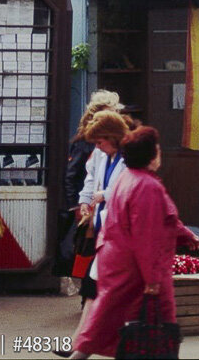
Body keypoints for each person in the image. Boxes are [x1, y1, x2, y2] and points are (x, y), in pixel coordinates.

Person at [70, 126, 199, 360]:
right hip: (137, 269)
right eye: (157, 149)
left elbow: (155, 220)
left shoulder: (127, 179)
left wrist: (185, 234)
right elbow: (147, 234)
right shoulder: (147, 186)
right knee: (151, 328)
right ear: (151, 155)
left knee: (106, 321)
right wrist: (151, 278)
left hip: (117, 262)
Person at [58, 90, 122, 278]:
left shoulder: (115, 145)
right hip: (88, 204)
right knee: (83, 247)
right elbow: (76, 175)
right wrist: (77, 204)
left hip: (98, 204)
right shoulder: (86, 141)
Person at [75, 111, 132, 301]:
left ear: (112, 137)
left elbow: (132, 188)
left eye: (100, 142)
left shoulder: (129, 156)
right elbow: (91, 177)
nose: (97, 147)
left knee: (102, 276)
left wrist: (105, 195)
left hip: (119, 226)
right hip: (103, 223)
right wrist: (84, 199)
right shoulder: (102, 154)